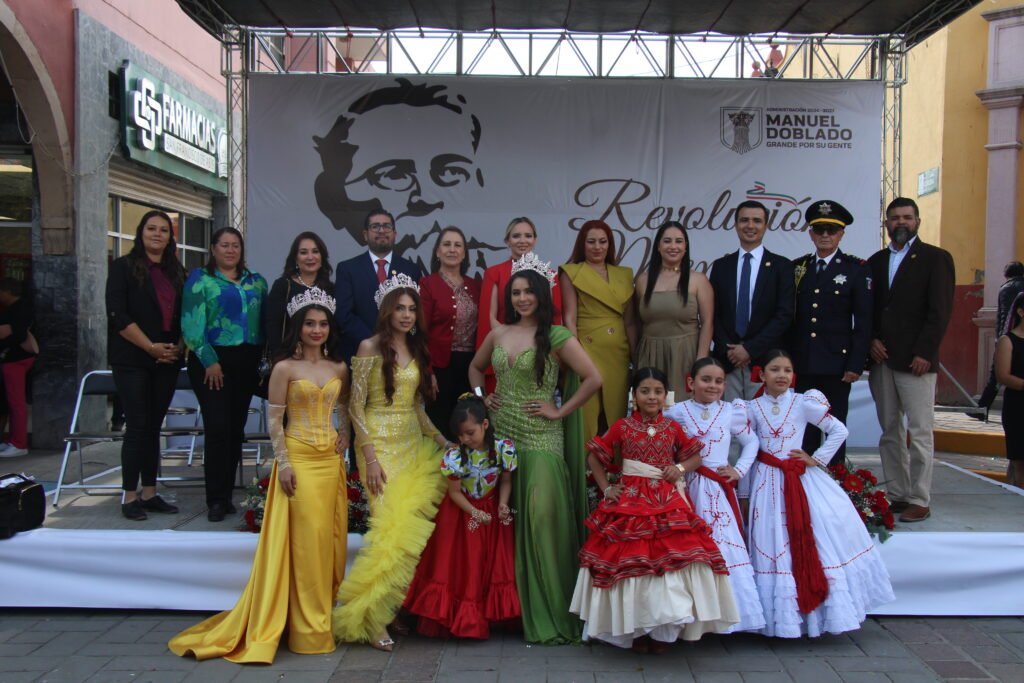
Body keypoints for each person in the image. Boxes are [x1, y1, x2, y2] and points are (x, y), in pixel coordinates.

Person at [170, 288, 350, 663]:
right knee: (304, 545)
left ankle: (319, 620)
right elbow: (273, 421)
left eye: (322, 324)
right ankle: (305, 630)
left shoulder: (339, 367)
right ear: (298, 328)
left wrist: (345, 435)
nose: (316, 330)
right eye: (309, 324)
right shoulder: (284, 368)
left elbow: (346, 408)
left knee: (327, 542)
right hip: (298, 459)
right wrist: (283, 464)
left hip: (329, 461)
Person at [469, 257, 602, 644]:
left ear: (542, 295)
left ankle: (553, 609)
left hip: (542, 437)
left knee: (541, 518)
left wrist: (560, 410)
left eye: (528, 291)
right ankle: (510, 612)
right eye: (516, 292)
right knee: (505, 523)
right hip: (503, 435)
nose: (522, 298)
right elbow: (476, 370)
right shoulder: (498, 333)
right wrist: (482, 400)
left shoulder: (557, 336)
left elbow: (595, 378)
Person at [571, 367, 738, 651]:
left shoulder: (672, 428)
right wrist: (607, 489)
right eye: (645, 391)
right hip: (630, 500)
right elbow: (595, 457)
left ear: (666, 396)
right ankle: (634, 630)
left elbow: (695, 457)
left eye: (658, 391)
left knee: (667, 562)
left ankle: (663, 631)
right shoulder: (622, 426)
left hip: (666, 500)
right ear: (634, 395)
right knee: (631, 560)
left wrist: (679, 467)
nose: (652, 396)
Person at [332, 275, 452, 652]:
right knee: (387, 534)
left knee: (406, 539)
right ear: (386, 311)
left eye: (411, 308)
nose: (406, 314)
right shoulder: (369, 347)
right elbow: (355, 405)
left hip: (412, 447)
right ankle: (371, 619)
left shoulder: (416, 347)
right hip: (379, 448)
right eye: (399, 307)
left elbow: (416, 407)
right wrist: (367, 457)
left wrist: (440, 439)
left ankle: (393, 608)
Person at [746, 349, 894, 638]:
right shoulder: (750, 408)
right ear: (761, 375)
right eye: (775, 370)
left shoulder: (803, 402)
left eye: (787, 371)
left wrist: (816, 459)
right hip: (765, 480)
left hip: (798, 479)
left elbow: (838, 430)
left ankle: (812, 615)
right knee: (770, 537)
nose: (782, 376)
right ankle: (776, 618)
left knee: (810, 535)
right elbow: (745, 445)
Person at [313, 77, 489, 271]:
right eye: (395, 175)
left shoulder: (488, 282)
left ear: (479, 182)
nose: (425, 198)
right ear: (331, 197)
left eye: (451, 171)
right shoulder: (349, 272)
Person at [403, 394, 520, 639]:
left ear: (485, 425)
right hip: (463, 514)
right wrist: (475, 512)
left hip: (492, 512)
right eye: (461, 435)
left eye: (470, 433)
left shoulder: (503, 449)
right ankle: (464, 618)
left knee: (492, 563)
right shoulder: (455, 457)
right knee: (467, 563)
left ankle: (490, 616)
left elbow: (506, 481)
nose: (465, 439)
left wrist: (502, 504)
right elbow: (454, 493)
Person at [867, 197, 955, 523]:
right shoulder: (875, 262)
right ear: (886, 223)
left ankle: (920, 497)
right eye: (894, 218)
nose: (900, 222)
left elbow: (940, 311)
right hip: (882, 359)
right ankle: (898, 495)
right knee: (890, 431)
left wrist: (925, 353)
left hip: (917, 361)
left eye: (907, 217)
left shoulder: (935, 258)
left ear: (917, 221)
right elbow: (870, 310)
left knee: (919, 432)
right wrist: (871, 340)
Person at [665, 357, 765, 633]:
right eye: (705, 379)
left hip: (716, 490)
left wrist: (739, 470)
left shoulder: (731, 412)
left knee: (720, 545)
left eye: (718, 381)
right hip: (685, 488)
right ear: (690, 383)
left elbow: (751, 442)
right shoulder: (677, 412)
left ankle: (725, 617)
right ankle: (689, 617)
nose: (712, 386)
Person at [182, 227, 268, 522]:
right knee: (217, 428)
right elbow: (191, 325)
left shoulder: (256, 281)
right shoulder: (200, 279)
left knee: (235, 429)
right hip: (212, 362)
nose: (231, 250)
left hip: (246, 361)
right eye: (225, 245)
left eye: (236, 245)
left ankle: (228, 493)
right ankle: (216, 499)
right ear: (213, 249)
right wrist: (209, 361)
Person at [102, 210, 184, 517]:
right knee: (136, 426)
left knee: (152, 427)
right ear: (141, 232)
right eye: (152, 228)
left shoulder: (177, 271)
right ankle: (129, 496)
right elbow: (117, 315)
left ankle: (150, 493)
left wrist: (177, 346)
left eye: (164, 230)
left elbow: (186, 314)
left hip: (167, 359)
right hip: (133, 358)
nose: (157, 234)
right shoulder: (123, 267)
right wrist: (150, 347)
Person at [790, 200, 872, 465]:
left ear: (841, 234)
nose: (825, 235)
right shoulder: (798, 268)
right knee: (805, 430)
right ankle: (804, 489)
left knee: (835, 428)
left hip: (837, 365)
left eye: (831, 230)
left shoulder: (855, 269)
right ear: (811, 233)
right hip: (803, 363)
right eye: (819, 229)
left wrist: (856, 363)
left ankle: (835, 484)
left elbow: (863, 321)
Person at [709, 200, 794, 400]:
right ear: (736, 224)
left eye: (757, 221)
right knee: (730, 425)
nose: (750, 226)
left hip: (765, 362)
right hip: (728, 362)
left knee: (764, 426)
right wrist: (730, 351)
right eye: (744, 220)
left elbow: (784, 315)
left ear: (766, 225)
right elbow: (714, 314)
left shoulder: (781, 266)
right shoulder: (722, 266)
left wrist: (749, 349)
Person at [559, 219, 636, 443]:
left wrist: (634, 354)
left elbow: (630, 321)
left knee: (615, 414)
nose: (597, 247)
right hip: (586, 350)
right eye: (591, 241)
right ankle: (583, 475)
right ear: (582, 244)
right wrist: (576, 355)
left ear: (610, 244)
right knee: (587, 416)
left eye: (603, 241)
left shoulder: (624, 274)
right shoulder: (571, 272)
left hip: (618, 354)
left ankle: (614, 474)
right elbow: (569, 318)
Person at [476, 217, 562, 393]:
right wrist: (507, 347)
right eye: (516, 236)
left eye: (528, 236)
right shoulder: (494, 273)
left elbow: (555, 318)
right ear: (507, 241)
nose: (523, 240)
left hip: (539, 354)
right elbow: (489, 316)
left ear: (535, 240)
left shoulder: (550, 275)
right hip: (502, 355)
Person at [635, 221, 713, 398]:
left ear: (685, 247)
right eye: (667, 241)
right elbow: (636, 322)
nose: (673, 246)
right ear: (658, 246)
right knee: (651, 412)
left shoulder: (698, 280)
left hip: (685, 355)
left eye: (679, 241)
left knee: (683, 412)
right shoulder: (642, 280)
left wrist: (701, 361)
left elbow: (708, 323)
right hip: (650, 355)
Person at [335, 209, 422, 362]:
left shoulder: (411, 270)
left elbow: (416, 313)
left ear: (394, 234)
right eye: (375, 226)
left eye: (386, 226)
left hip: (401, 355)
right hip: (360, 352)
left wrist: (398, 343)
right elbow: (344, 315)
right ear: (365, 234)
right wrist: (374, 342)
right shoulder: (348, 269)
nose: (381, 230)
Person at [420, 227, 481, 439]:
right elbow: (421, 332)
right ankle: (442, 470)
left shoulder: (475, 285)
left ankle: (470, 469)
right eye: (447, 244)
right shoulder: (428, 284)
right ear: (437, 251)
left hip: (471, 367)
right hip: (440, 368)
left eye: (458, 245)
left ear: (464, 253)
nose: (452, 250)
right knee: (441, 422)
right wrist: (428, 372)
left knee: (470, 422)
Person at [263, 232, 334, 359]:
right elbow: (272, 325)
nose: (310, 257)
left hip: (323, 360)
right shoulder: (283, 286)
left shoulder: (331, 288)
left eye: (315, 251)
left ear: (322, 257)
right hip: (289, 358)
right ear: (295, 258)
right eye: (304, 252)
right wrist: (281, 357)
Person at [978, 261, 1024, 413]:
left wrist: (1000, 336)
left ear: (1006, 275)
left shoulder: (1004, 288)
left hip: (1007, 334)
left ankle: (982, 407)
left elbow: (1002, 315)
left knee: (996, 376)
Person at [0, 278, 38, 458]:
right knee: (13, 401)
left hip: (15, 359)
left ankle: (19, 443)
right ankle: (14, 440)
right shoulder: (22, 308)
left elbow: (18, 334)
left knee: (16, 402)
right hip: (16, 358)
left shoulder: (19, 309)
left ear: (8, 292)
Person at [994, 292, 1024, 488]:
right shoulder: (1008, 340)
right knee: (1020, 461)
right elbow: (1002, 376)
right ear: (1021, 311)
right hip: (1018, 407)